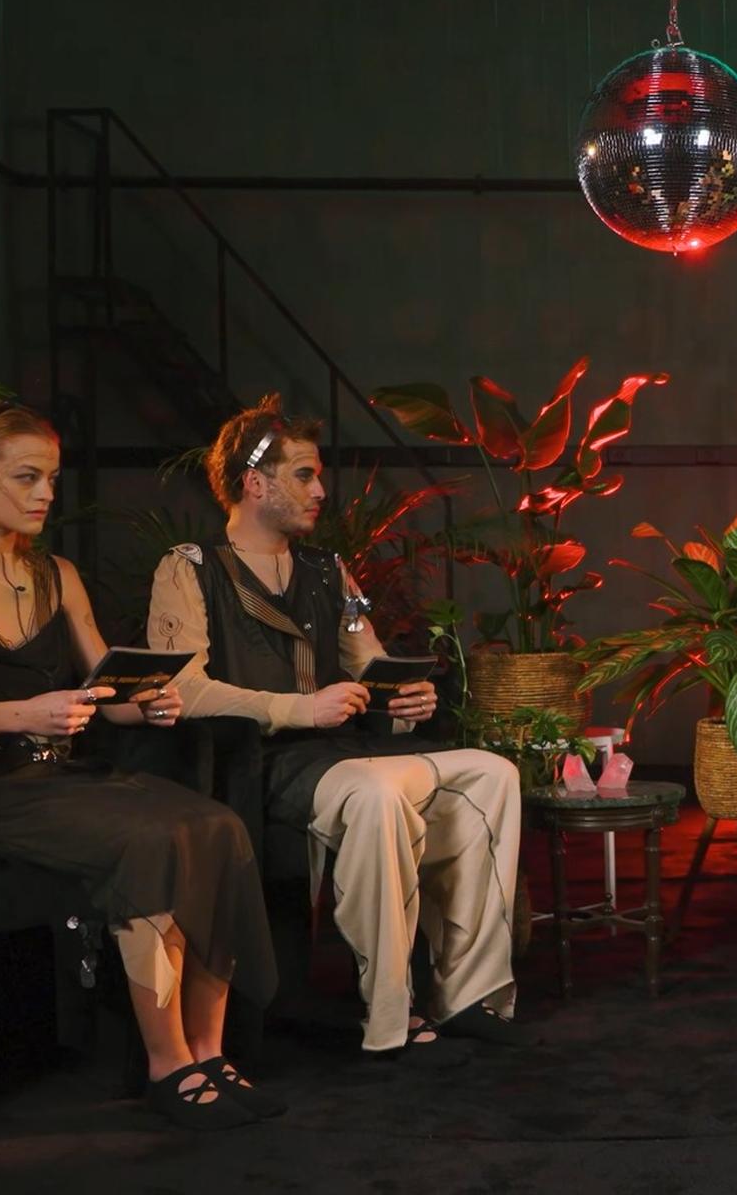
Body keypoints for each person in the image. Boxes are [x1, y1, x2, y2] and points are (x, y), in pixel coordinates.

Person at [0, 401, 281, 1129]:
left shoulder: (57, 574)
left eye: (52, 479)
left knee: (217, 825)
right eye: (25, 477)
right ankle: (168, 1066)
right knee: (150, 839)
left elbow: (104, 696)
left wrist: (147, 704)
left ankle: (209, 1052)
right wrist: (14, 715)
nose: (45, 494)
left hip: (66, 777)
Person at [146, 394, 523, 1062]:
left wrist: (403, 697)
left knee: (493, 773)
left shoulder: (330, 571)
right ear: (254, 483)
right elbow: (183, 688)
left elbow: (367, 658)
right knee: (377, 795)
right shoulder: (189, 567)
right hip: (262, 760)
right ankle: (391, 1014)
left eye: (318, 476)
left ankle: (469, 993)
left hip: (345, 749)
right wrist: (300, 708)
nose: (321, 491)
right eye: (304, 475)